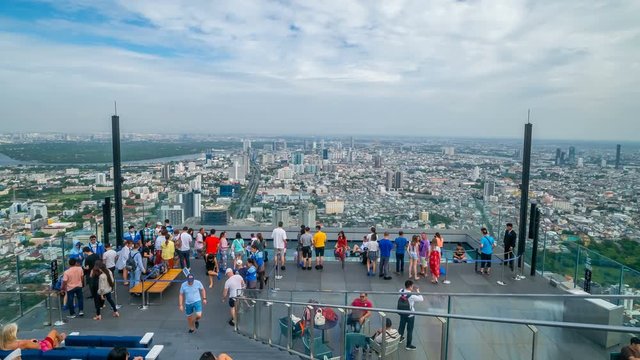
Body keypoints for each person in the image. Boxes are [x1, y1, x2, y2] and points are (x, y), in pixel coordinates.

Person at [0, 323, 66, 352]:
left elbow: (24, 344)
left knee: (55, 340)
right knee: (54, 332)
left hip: (39, 347)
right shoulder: (22, 343)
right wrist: (33, 342)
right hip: (45, 348)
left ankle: (57, 343)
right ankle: (60, 340)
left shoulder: (3, 345)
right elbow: (39, 345)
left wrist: (31, 341)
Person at [398, 280, 423, 351]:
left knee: (401, 326)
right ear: (410, 286)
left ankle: (399, 338)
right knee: (410, 330)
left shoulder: (401, 290)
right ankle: (408, 345)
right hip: (410, 315)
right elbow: (421, 299)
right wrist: (418, 291)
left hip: (402, 312)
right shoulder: (412, 296)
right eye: (412, 286)